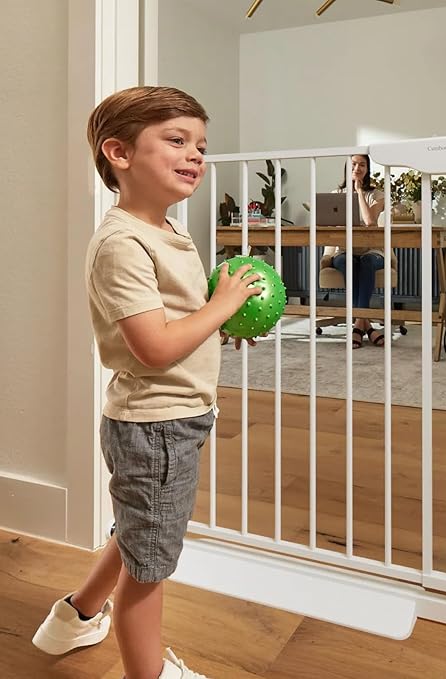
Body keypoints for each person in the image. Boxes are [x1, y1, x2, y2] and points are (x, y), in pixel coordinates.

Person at [31, 86, 262, 679]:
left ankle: (74, 618)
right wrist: (221, 304)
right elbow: (154, 347)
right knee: (149, 566)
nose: (196, 155)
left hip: (175, 418)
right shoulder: (122, 244)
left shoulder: (168, 232)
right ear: (120, 153)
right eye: (177, 140)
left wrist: (216, 322)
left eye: (201, 145)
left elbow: (177, 319)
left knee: (140, 531)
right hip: (156, 426)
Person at [321, 154, 386, 348]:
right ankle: (366, 325)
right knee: (346, 260)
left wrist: (358, 191)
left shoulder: (377, 195)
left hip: (372, 252)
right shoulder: (336, 195)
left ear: (367, 169)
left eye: (362, 165)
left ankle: (358, 324)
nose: (357, 168)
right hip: (344, 250)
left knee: (366, 261)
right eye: (354, 164)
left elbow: (370, 222)